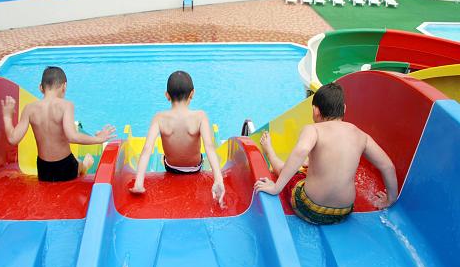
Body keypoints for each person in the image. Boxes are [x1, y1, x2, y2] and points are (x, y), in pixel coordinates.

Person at [254, 82, 398, 224]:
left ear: (316, 110)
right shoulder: (360, 135)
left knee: (291, 172)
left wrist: (275, 188)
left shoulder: (313, 130)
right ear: (344, 109)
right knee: (310, 165)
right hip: (343, 211)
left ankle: (269, 151)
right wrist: (390, 199)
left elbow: (301, 151)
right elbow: (388, 166)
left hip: (310, 208)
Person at [1, 66, 115, 182]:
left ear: (41, 88)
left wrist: (7, 116)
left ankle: (82, 163)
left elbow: (13, 139)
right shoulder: (66, 105)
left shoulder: (29, 109)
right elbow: (72, 136)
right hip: (66, 166)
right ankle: (85, 165)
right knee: (79, 164)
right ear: (64, 86)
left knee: (72, 162)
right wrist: (98, 139)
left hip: (43, 168)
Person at [129, 70, 225, 206]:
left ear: (167, 95)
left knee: (162, 155)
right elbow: (209, 147)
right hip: (195, 168)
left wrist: (139, 182)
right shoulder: (200, 116)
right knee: (210, 154)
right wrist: (218, 179)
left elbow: (147, 149)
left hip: (171, 167)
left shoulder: (159, 118)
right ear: (192, 94)